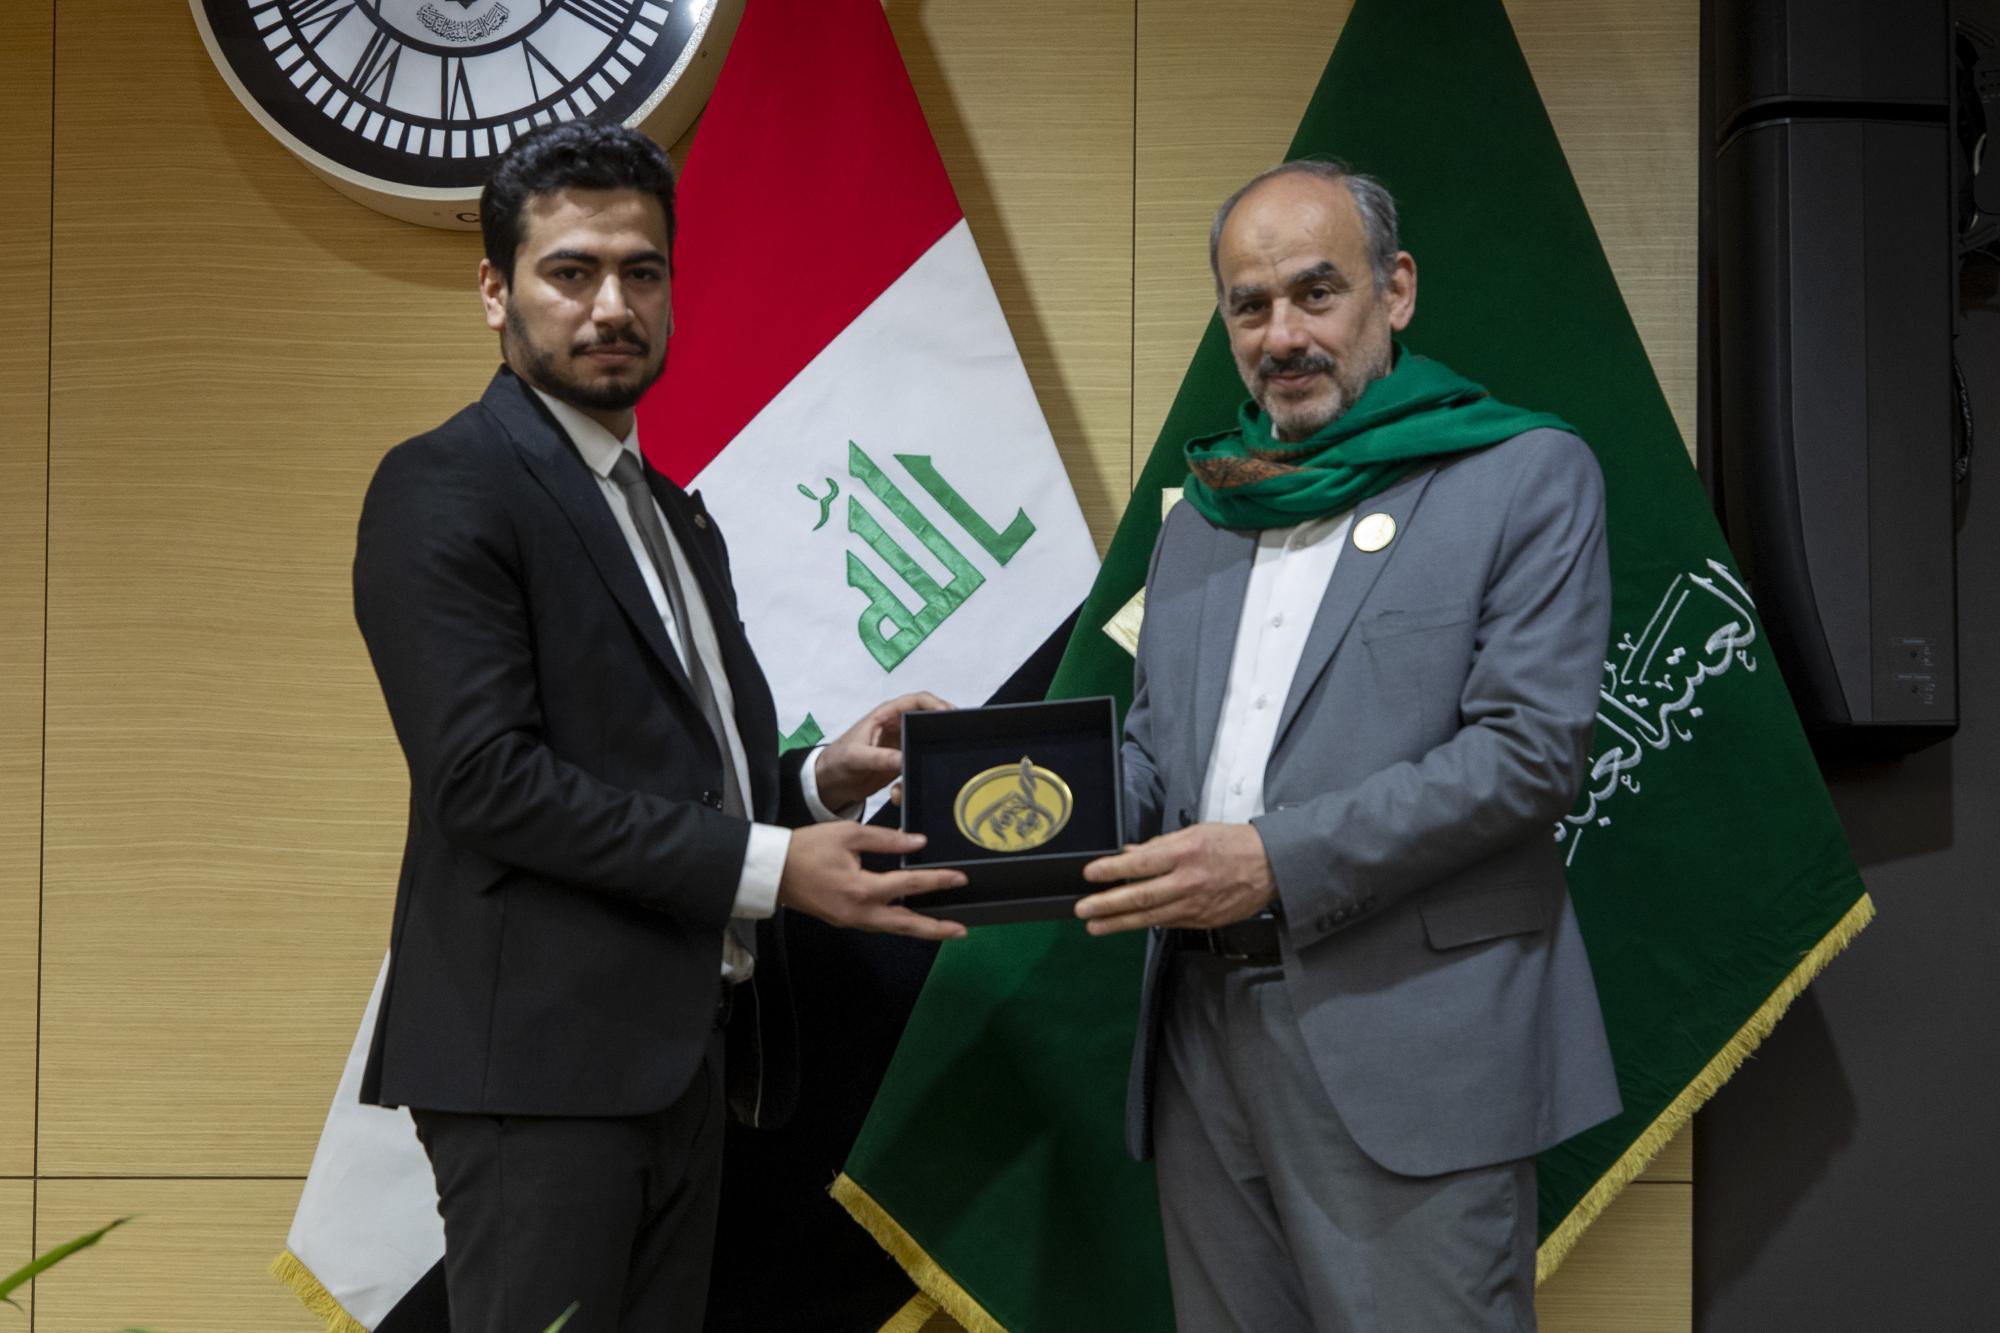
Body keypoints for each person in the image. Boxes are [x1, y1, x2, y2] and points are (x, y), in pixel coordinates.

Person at [350, 119, 967, 1332]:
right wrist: (777, 865)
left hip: (683, 1061)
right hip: (537, 1074)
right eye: (570, 272)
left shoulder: (673, 513)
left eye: (641, 272)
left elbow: (668, 775)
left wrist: (817, 783)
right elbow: (485, 781)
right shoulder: (444, 484)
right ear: (494, 291)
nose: (610, 306)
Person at [1075, 160, 1622, 1331]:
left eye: (1314, 293)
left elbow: (1526, 755)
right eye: (1249, 306)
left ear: (1396, 289)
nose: (1282, 335)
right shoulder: (1204, 514)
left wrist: (1271, 861)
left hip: (1410, 1034)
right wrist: (977, 797)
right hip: (1199, 1039)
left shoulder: (1521, 474)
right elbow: (1155, 761)